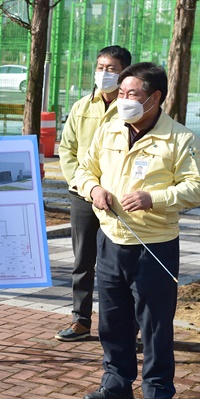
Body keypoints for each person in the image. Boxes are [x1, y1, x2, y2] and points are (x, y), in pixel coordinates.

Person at [76, 62, 200, 399]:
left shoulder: (179, 138)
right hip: (111, 239)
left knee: (155, 324)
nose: (123, 99)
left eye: (133, 94)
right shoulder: (109, 128)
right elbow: (84, 170)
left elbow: (195, 188)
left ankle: (157, 388)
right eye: (121, 92)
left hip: (154, 245)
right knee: (112, 321)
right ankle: (115, 384)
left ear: (154, 97)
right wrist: (93, 190)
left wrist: (153, 198)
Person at [55, 45, 132, 342]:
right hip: (84, 195)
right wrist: (83, 184)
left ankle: (124, 326)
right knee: (82, 260)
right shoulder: (81, 106)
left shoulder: (130, 107)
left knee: (121, 264)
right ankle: (81, 320)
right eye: (100, 67)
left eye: (111, 68)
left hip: (119, 198)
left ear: (124, 72)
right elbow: (67, 150)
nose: (104, 73)